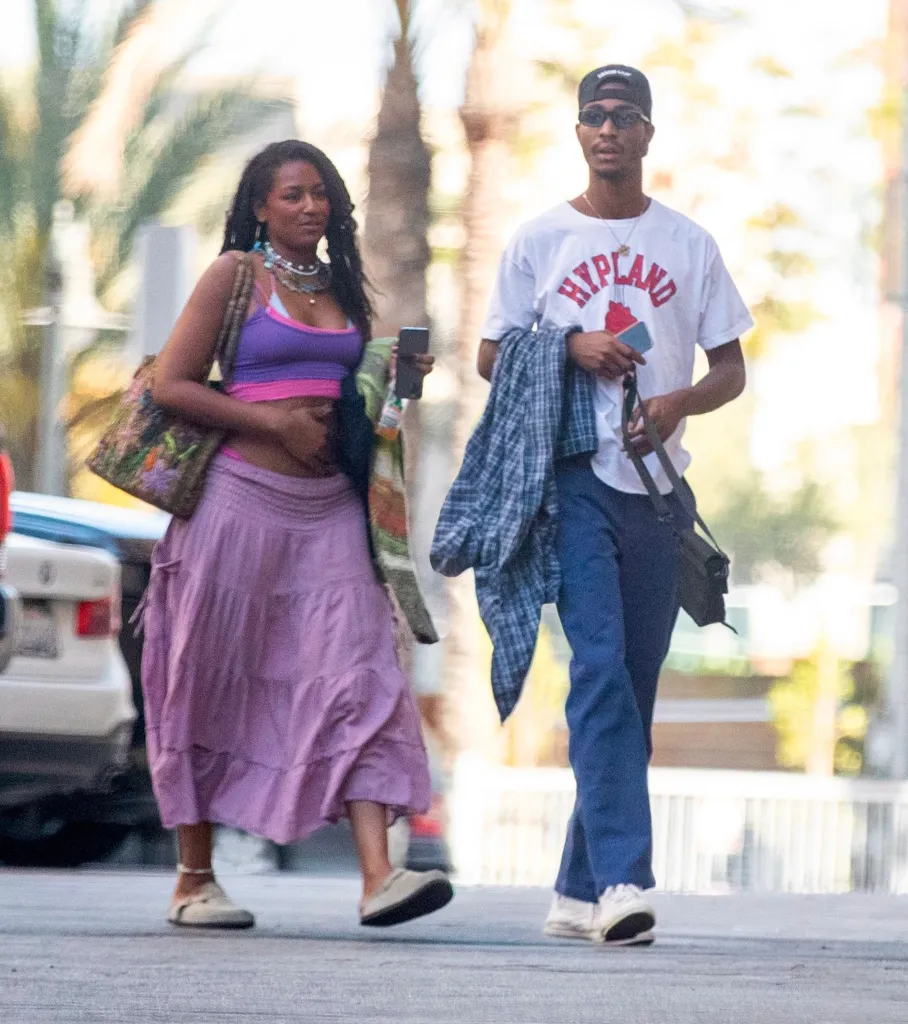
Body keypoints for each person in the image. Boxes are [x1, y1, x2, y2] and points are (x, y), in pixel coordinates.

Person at [142, 139, 453, 930]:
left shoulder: (343, 283)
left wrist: (392, 384)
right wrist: (269, 419)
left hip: (329, 515)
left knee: (361, 677)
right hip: (238, 507)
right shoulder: (234, 278)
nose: (309, 207)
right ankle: (193, 880)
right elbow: (171, 382)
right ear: (259, 205)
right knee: (209, 678)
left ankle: (379, 877)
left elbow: (356, 396)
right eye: (291, 195)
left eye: (319, 194)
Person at [476, 65, 751, 945]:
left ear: (646, 134)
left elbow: (731, 368)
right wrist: (570, 346)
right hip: (572, 482)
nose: (606, 129)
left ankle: (574, 885)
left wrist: (676, 405)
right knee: (596, 668)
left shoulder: (689, 243)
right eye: (592, 116)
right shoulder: (539, 240)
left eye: (622, 116)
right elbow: (490, 356)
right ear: (578, 132)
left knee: (632, 683)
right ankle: (626, 880)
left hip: (659, 491)